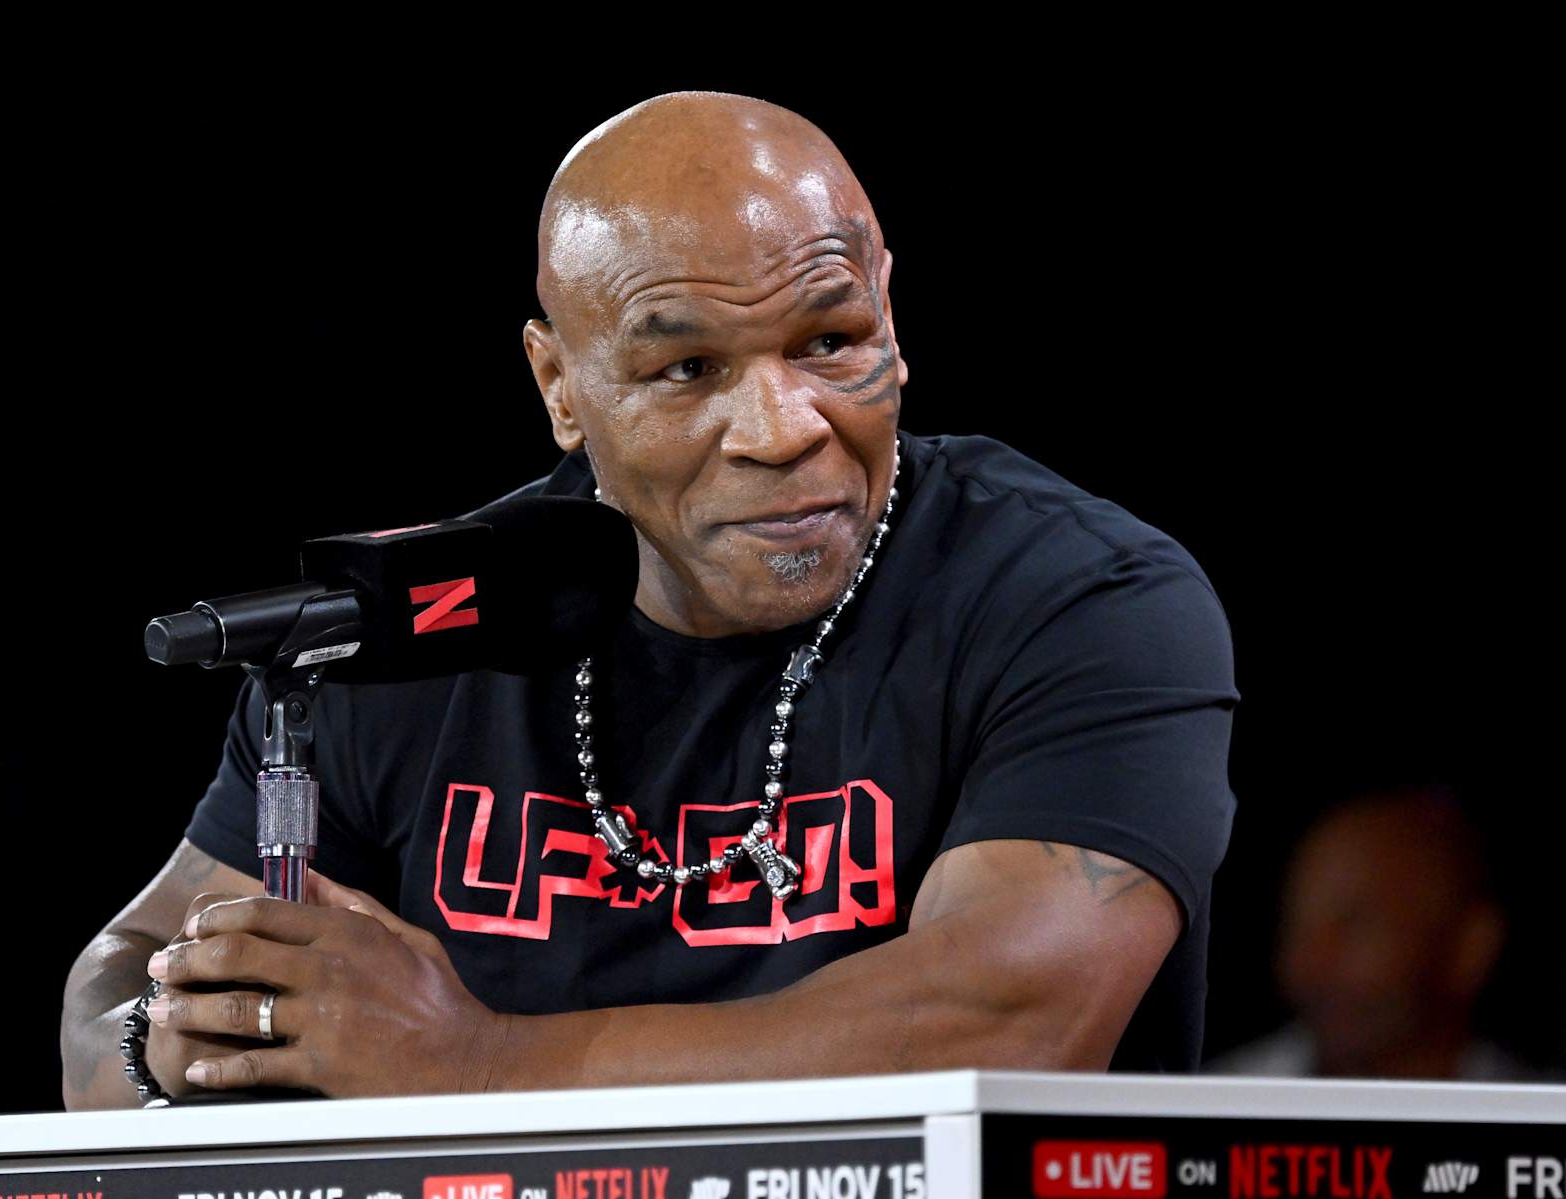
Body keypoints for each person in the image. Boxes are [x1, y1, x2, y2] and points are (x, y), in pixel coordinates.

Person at [61, 90, 1240, 1109]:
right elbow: (113, 987)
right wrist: (177, 1042)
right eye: (687, 369)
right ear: (559, 387)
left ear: (891, 305)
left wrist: (473, 1066)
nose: (784, 430)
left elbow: (1002, 1027)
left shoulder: (1077, 596)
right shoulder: (432, 618)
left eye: (831, 339)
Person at [1207, 786, 1538, 1080]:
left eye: (1355, 924)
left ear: (1472, 947)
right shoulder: (1216, 1112)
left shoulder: (1540, 1121)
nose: (1308, 964)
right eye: (1297, 930)